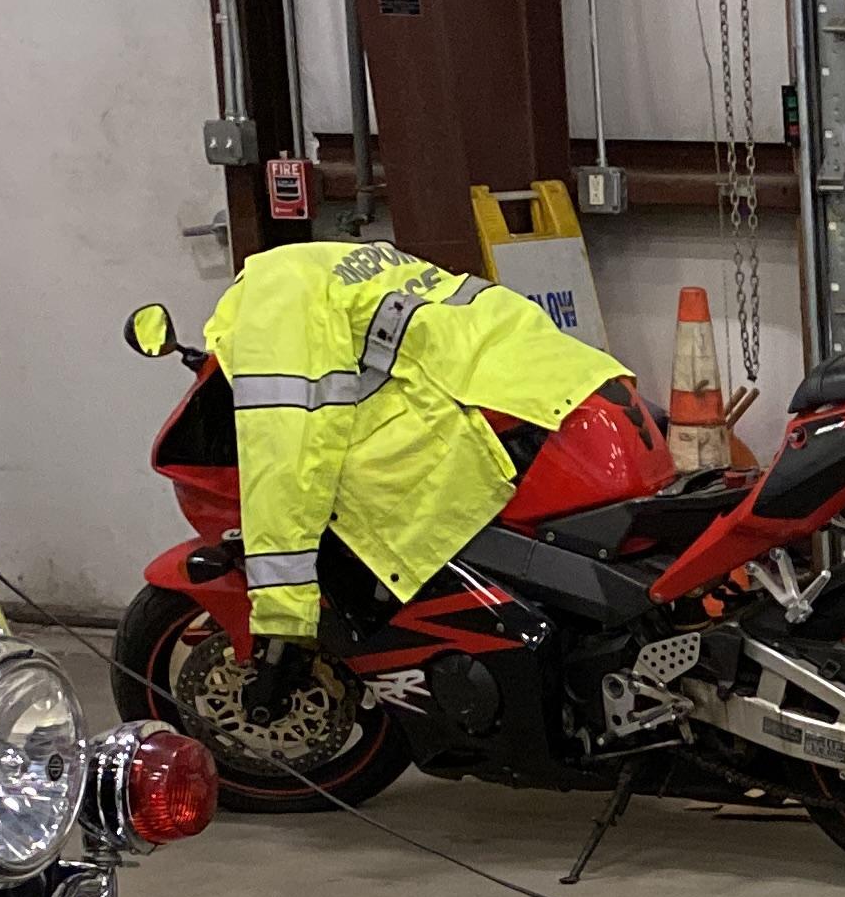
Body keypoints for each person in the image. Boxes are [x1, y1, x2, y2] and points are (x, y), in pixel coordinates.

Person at [208, 237, 640, 672]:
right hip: (575, 384)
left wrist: (283, 607)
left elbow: (287, 446)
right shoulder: (353, 258)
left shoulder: (271, 300)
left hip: (519, 415)